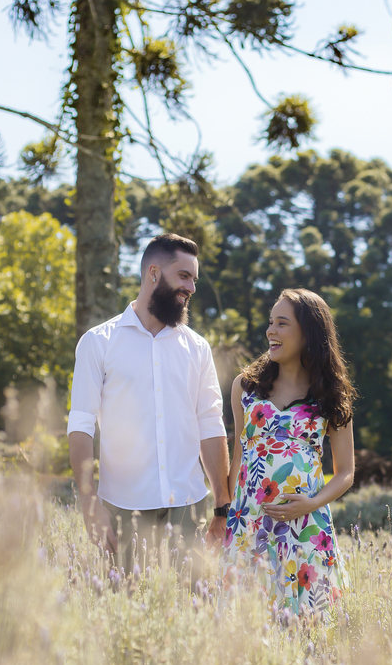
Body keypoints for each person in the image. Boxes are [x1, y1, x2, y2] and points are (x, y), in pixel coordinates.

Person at [67, 233, 230, 572]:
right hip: (122, 508)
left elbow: (211, 425)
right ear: (153, 273)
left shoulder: (198, 349)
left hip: (189, 507)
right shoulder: (98, 343)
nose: (191, 288)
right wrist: (88, 500)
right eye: (183, 276)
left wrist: (221, 506)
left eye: (194, 279)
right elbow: (81, 425)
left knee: (193, 601)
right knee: (124, 600)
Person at [222, 288, 357, 614]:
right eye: (271, 322)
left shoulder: (330, 395)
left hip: (306, 526)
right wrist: (227, 516)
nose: (271, 331)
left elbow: (346, 472)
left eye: (282, 323)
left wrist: (311, 503)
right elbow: (239, 455)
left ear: (308, 333)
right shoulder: (245, 386)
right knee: (245, 621)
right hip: (249, 524)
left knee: (309, 623)